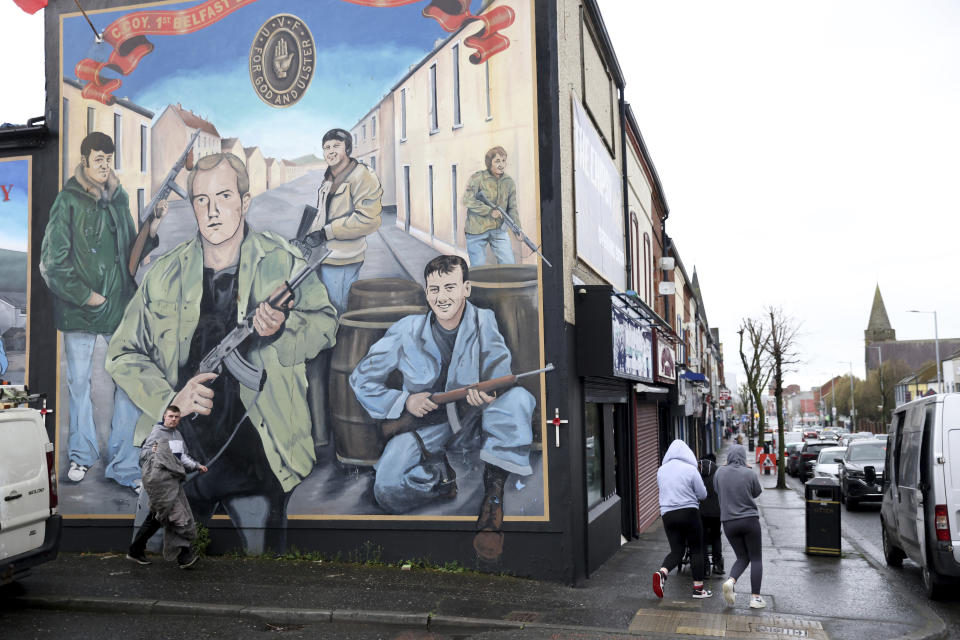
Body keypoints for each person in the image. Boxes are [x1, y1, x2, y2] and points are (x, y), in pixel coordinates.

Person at [106, 152, 338, 554]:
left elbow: (325, 325)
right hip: (179, 458)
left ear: (245, 203)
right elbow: (122, 352)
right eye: (201, 199)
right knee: (160, 568)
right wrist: (170, 401)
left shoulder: (282, 260)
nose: (212, 211)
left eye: (225, 196)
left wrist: (282, 329)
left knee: (264, 576)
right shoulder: (165, 274)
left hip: (262, 455)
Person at [349, 254, 535, 561]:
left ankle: (493, 498)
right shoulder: (406, 330)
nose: (442, 297)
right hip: (429, 426)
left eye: (450, 287)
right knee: (387, 489)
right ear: (426, 292)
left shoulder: (483, 320)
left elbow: (499, 371)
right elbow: (362, 378)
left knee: (518, 400)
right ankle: (441, 481)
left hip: (475, 418)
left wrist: (487, 393)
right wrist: (404, 401)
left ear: (466, 288)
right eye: (434, 289)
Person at [40, 131, 166, 491]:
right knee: (79, 385)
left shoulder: (118, 198)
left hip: (119, 307)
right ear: (84, 161)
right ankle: (81, 455)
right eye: (98, 159)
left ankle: (125, 466)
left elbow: (130, 255)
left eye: (108, 159)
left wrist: (152, 228)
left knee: (126, 383)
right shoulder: (67, 201)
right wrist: (86, 295)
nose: (104, 165)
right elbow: (52, 262)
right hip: (80, 311)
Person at [295, 127, 383, 315]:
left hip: (343, 259)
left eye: (336, 146)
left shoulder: (362, 175)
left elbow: (369, 219)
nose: (331, 151)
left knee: (338, 312)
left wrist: (327, 232)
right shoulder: (328, 177)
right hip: (321, 257)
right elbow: (321, 214)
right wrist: (306, 238)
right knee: (323, 310)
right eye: (326, 147)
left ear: (348, 148)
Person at [127, 405, 207, 568]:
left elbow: (182, 457)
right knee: (178, 516)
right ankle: (185, 556)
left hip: (172, 482)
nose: (173, 419)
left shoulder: (177, 435)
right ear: (165, 416)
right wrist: (153, 451)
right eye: (170, 416)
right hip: (159, 482)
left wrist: (196, 466)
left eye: (176, 417)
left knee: (157, 518)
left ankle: (135, 551)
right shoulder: (157, 432)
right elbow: (143, 455)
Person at [653, 439, 712, 599]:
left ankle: (662, 573)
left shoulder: (661, 470)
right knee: (696, 550)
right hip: (689, 513)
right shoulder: (691, 470)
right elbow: (703, 494)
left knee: (676, 551)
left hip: (668, 515)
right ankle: (698, 590)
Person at [714, 444, 765, 609]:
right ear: (743, 457)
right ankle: (755, 598)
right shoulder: (749, 473)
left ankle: (731, 581)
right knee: (756, 558)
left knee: (742, 557)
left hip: (728, 522)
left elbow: (717, 490)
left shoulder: (719, 473)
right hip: (749, 520)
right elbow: (756, 492)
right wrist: (746, 469)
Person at [462, 146, 519, 266]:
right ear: (489, 163)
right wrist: (489, 211)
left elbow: (512, 208)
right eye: (497, 161)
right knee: (478, 270)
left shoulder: (509, 182)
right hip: (476, 230)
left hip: (498, 230)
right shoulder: (478, 178)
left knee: (509, 265)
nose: (501, 164)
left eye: (503, 160)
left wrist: (517, 228)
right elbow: (467, 200)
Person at [698, 453, 724, 576]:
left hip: (701, 512)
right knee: (716, 536)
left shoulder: (697, 473)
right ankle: (718, 564)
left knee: (702, 538)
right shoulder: (719, 473)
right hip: (717, 513)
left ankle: (705, 567)